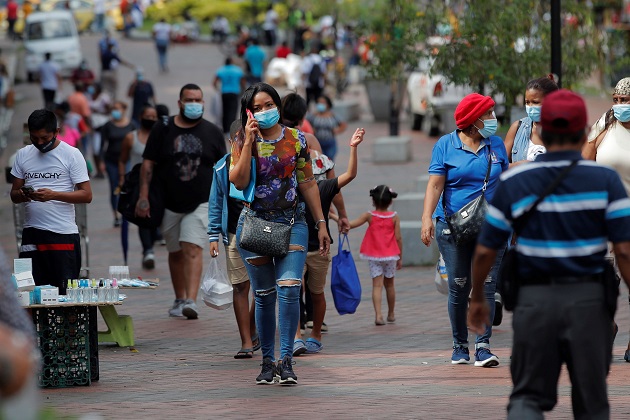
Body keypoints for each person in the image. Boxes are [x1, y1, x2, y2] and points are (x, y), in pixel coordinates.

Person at [469, 89, 630, 419]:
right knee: (591, 403)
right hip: (589, 304)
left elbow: (486, 249)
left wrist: (477, 298)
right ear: (585, 131)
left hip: (535, 302)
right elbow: (624, 251)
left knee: (527, 397)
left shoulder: (516, 180)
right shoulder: (605, 180)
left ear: (541, 131)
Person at [229, 82, 330, 385]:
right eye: (257, 108)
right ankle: (266, 362)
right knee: (263, 296)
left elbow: (308, 182)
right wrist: (248, 142)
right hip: (255, 224)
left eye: (269, 105)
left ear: (278, 105)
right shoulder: (240, 139)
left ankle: (286, 360)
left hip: (293, 223)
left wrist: (322, 223)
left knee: (288, 289)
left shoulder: (297, 139)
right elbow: (237, 179)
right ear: (248, 113)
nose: (264, 112)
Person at [420, 93, 509, 366]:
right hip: (452, 227)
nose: (494, 120)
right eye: (489, 115)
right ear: (473, 122)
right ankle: (460, 346)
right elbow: (435, 185)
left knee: (486, 286)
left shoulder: (496, 145)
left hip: (492, 227)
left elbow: (505, 182)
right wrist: (426, 219)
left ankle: (483, 346)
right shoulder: (445, 145)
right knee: (459, 286)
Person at [137, 84, 226, 319]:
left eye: (198, 100)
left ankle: (191, 300)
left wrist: (225, 200)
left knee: (192, 247)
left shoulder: (212, 132)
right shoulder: (162, 129)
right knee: (175, 250)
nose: (195, 104)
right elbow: (148, 164)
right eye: (190, 100)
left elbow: (224, 168)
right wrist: (144, 196)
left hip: (201, 201)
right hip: (168, 201)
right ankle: (179, 298)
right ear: (180, 103)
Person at [293, 127, 365, 356]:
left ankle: (316, 334)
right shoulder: (287, 190)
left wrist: (353, 148)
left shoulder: (322, 187)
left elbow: (350, 175)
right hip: (294, 247)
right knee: (295, 289)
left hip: (318, 249)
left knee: (316, 293)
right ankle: (295, 336)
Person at [10, 109, 92, 294]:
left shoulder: (72, 154)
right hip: (32, 235)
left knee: (64, 295)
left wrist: (53, 195)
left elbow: (86, 195)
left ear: (56, 131)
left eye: (45, 138)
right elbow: (14, 194)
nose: (39, 143)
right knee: (30, 294)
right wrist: (23, 194)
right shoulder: (22, 155)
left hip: (62, 234)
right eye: (34, 138)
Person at [583, 76, 630, 363]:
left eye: (625, 100)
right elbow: (585, 162)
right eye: (616, 100)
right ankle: (607, 326)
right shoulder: (604, 124)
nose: (620, 105)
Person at [208, 120, 259, 359]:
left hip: (262, 232)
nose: (243, 141)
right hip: (233, 234)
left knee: (262, 288)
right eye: (239, 137)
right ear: (231, 141)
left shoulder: (261, 163)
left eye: (248, 137)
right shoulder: (221, 168)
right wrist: (213, 236)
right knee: (240, 286)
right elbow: (216, 202)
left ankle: (253, 328)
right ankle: (246, 341)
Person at [349, 185, 402, 325]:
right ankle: (391, 314)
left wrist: (335, 218)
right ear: (390, 202)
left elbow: (351, 224)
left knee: (377, 286)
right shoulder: (394, 217)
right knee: (390, 285)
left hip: (374, 256)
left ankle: (378, 316)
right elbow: (398, 238)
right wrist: (400, 256)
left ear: (373, 201)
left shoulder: (369, 216)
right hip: (390, 255)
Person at [118, 105, 159, 269]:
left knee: (155, 216)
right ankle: (148, 250)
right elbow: (122, 159)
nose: (151, 119)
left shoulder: (159, 136)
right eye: (147, 115)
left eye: (153, 116)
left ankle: (154, 238)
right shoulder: (130, 137)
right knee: (142, 216)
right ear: (141, 117)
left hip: (157, 182)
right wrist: (122, 179)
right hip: (137, 182)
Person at [504, 75, 559, 167]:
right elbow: (500, 166)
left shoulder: (564, 132)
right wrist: (520, 165)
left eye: (535, 102)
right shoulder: (518, 128)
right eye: (527, 102)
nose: (530, 106)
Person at [100, 101, 135, 226]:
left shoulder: (131, 125)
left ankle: (126, 212)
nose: (115, 111)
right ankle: (116, 215)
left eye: (117, 108)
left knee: (127, 186)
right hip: (111, 161)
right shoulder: (107, 126)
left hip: (127, 160)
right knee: (115, 187)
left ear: (124, 109)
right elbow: (102, 145)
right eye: (113, 109)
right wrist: (101, 161)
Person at [307, 94, 346, 161]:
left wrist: (338, 130)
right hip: (318, 142)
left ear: (327, 104)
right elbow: (306, 123)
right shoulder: (313, 115)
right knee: (319, 160)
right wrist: (311, 129)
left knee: (329, 160)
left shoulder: (332, 115)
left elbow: (343, 124)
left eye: (323, 102)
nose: (320, 104)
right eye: (319, 102)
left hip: (330, 142)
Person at [214, 57, 245, 134]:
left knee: (225, 110)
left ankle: (225, 129)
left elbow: (214, 82)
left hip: (224, 93)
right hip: (234, 93)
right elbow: (242, 81)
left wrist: (218, 89)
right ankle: (231, 129)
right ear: (231, 62)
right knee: (233, 111)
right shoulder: (237, 70)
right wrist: (243, 90)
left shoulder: (221, 70)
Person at [88, 83, 112, 179]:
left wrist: (97, 111)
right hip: (93, 127)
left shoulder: (103, 98)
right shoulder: (89, 96)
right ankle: (98, 170)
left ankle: (103, 169)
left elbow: (109, 110)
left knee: (100, 149)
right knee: (94, 150)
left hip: (101, 127)